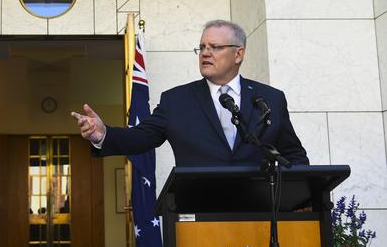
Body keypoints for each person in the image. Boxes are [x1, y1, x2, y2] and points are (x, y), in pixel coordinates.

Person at [71, 19, 309, 166]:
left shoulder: (270, 99)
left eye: (215, 47)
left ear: (238, 54)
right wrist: (103, 134)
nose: (205, 53)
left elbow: (294, 155)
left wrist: (301, 198)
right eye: (202, 47)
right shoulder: (176, 101)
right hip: (198, 218)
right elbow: (141, 137)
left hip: (260, 216)